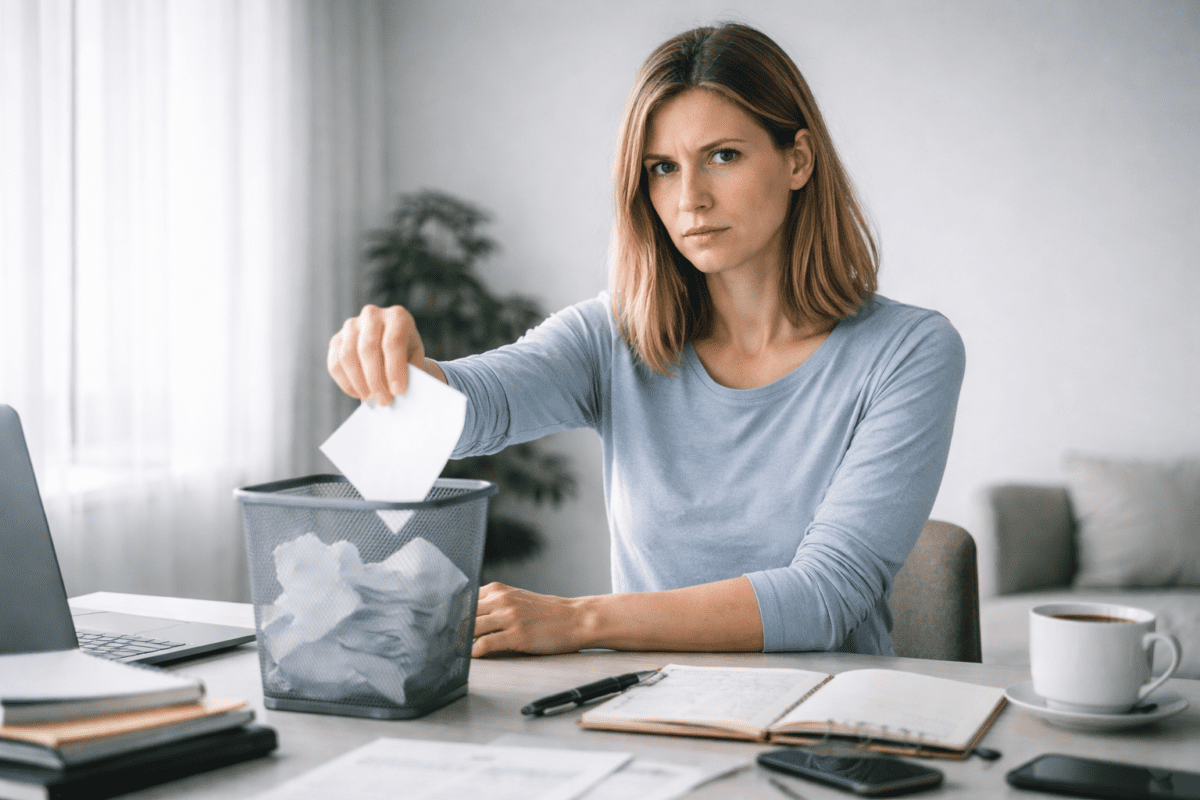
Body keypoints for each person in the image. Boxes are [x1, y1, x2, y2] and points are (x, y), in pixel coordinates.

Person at [327, 23, 965, 659]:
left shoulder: (909, 351)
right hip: (643, 715)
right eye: (663, 168)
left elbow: (824, 599)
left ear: (797, 160)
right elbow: (475, 408)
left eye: (723, 156)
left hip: (823, 732)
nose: (691, 198)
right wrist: (404, 374)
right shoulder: (614, 337)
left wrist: (579, 621)